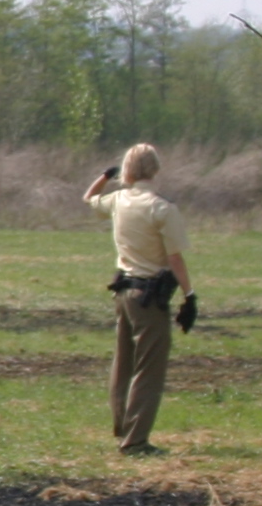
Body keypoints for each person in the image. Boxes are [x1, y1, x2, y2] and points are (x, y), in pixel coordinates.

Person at [82, 143, 195, 456]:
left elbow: (89, 198)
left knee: (124, 362)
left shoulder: (119, 200)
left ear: (127, 170)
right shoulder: (162, 208)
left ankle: (122, 425)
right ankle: (136, 440)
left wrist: (105, 176)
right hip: (149, 296)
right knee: (149, 367)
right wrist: (189, 295)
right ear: (155, 169)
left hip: (123, 291)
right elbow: (175, 258)